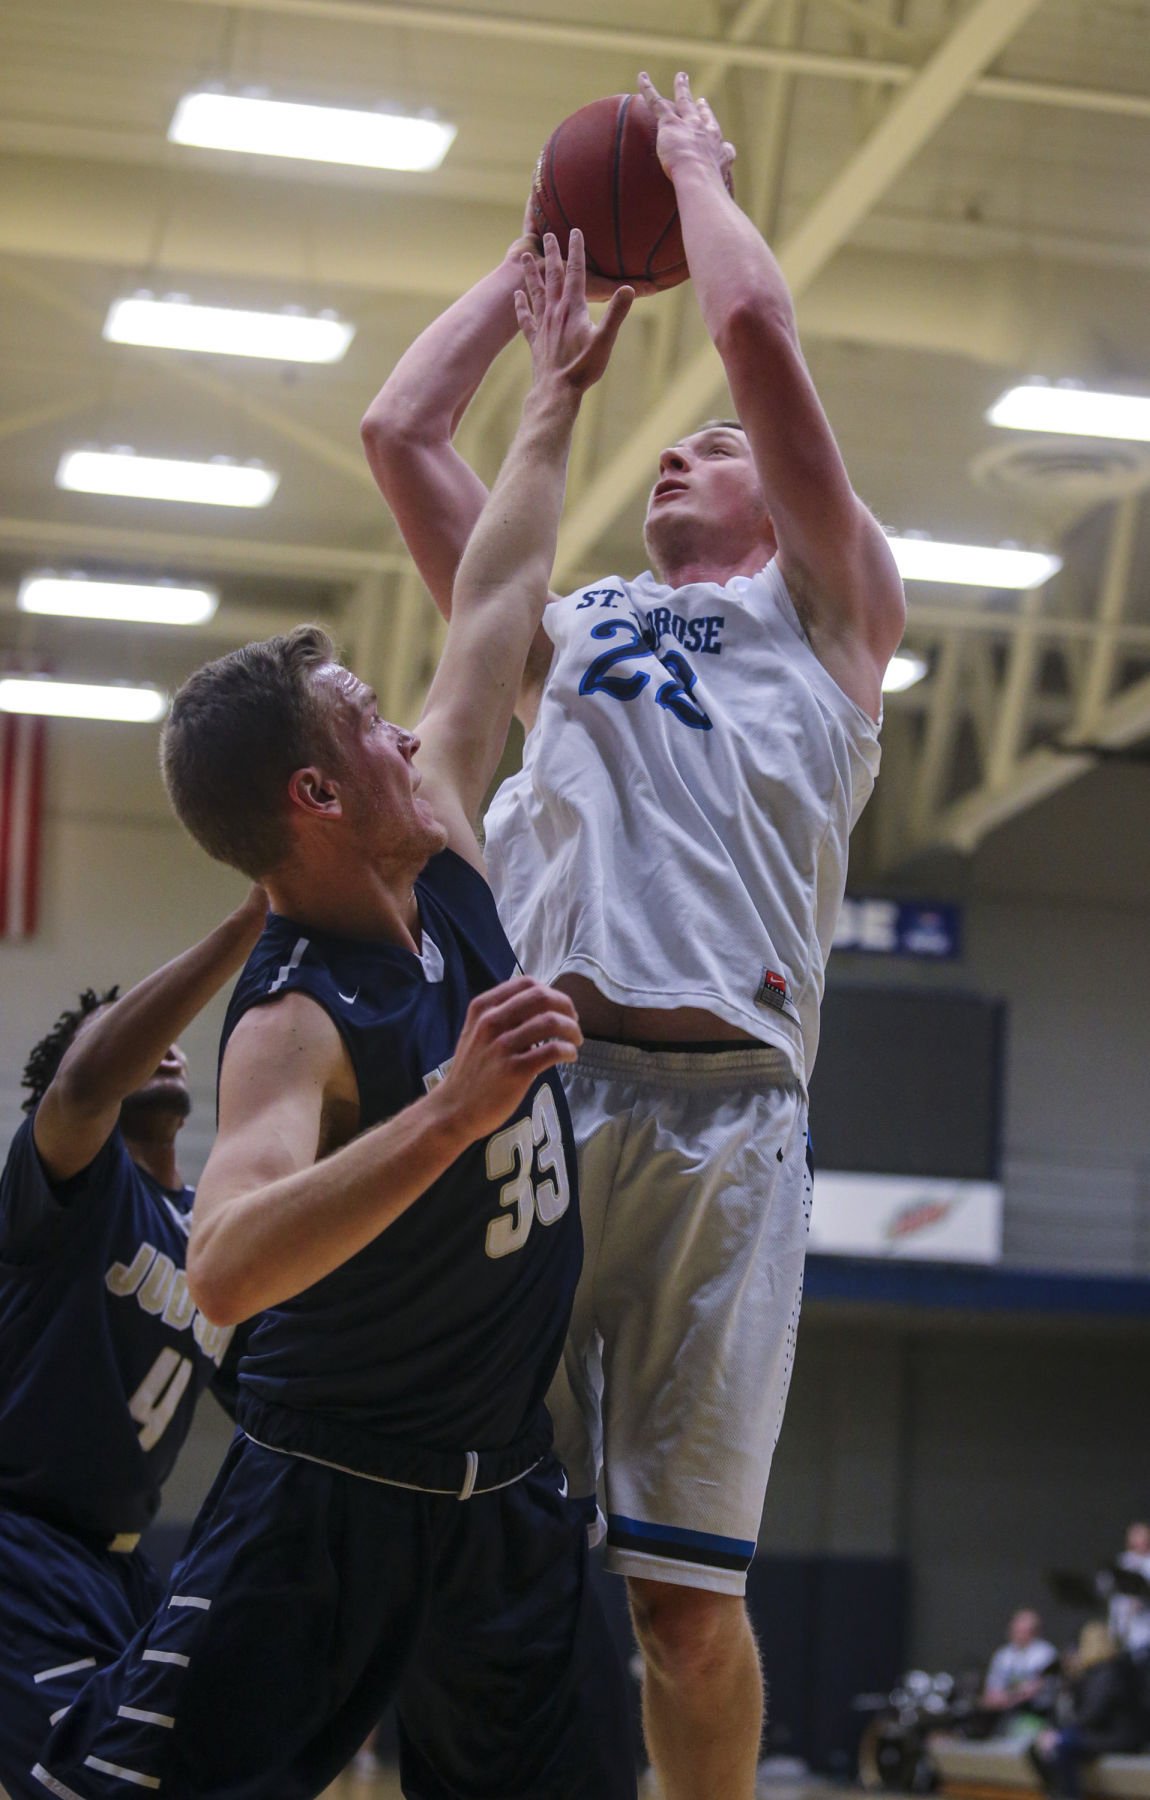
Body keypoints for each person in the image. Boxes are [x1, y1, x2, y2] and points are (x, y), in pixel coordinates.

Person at [35, 233, 637, 1800]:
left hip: (502, 1496)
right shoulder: (288, 1021)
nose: (408, 716)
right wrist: (451, 1114)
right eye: (364, 716)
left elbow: (500, 584)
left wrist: (551, 397)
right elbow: (226, 1264)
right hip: (329, 1506)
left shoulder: (431, 831)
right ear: (315, 794)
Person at [361, 70, 905, 1800]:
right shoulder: (567, 626)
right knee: (460, 1550)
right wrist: (543, 256)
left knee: (683, 1616)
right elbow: (399, 434)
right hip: (534, 1112)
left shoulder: (836, 616)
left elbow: (746, 317)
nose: (681, 443)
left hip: (730, 1132)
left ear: (785, 502)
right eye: (669, 441)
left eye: (717, 446)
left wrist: (690, 168)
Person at [0, 891, 268, 1798]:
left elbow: (284, 1392)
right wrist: (245, 925)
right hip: (18, 1549)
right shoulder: (69, 1180)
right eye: (120, 1029)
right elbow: (83, 1085)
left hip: (121, 1568)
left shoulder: (213, 1237)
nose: (164, 1039)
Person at [1029, 1623, 1144, 1798]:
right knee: (1041, 1746)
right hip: (1104, 1733)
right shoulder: (1094, 1673)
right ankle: (1057, 1794)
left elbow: (1093, 1715)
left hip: (1119, 1736)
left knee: (1060, 1744)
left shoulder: (1109, 1672)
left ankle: (1069, 1795)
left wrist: (1059, 1734)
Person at [980, 1609, 1060, 1725]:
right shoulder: (1003, 1655)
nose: (1017, 1634)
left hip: (1037, 1713)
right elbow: (992, 1688)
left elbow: (1037, 1687)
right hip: (1004, 1713)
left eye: (1023, 1631)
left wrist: (1009, 1697)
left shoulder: (1045, 1653)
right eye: (1015, 1630)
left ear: (1034, 1632)